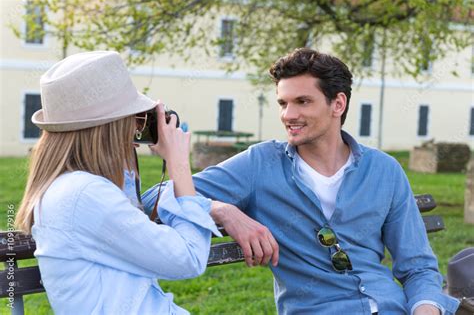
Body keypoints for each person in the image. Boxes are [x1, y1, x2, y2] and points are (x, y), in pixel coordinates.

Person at [143, 48, 460, 314]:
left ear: (338, 104)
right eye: (283, 103)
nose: (287, 115)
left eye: (302, 102)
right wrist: (221, 209)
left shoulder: (384, 170)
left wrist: (426, 309)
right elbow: (154, 198)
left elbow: (417, 267)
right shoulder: (260, 164)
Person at [15, 51, 220, 314]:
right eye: (133, 119)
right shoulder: (84, 195)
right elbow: (188, 259)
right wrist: (178, 165)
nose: (137, 128)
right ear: (112, 126)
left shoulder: (71, 189)